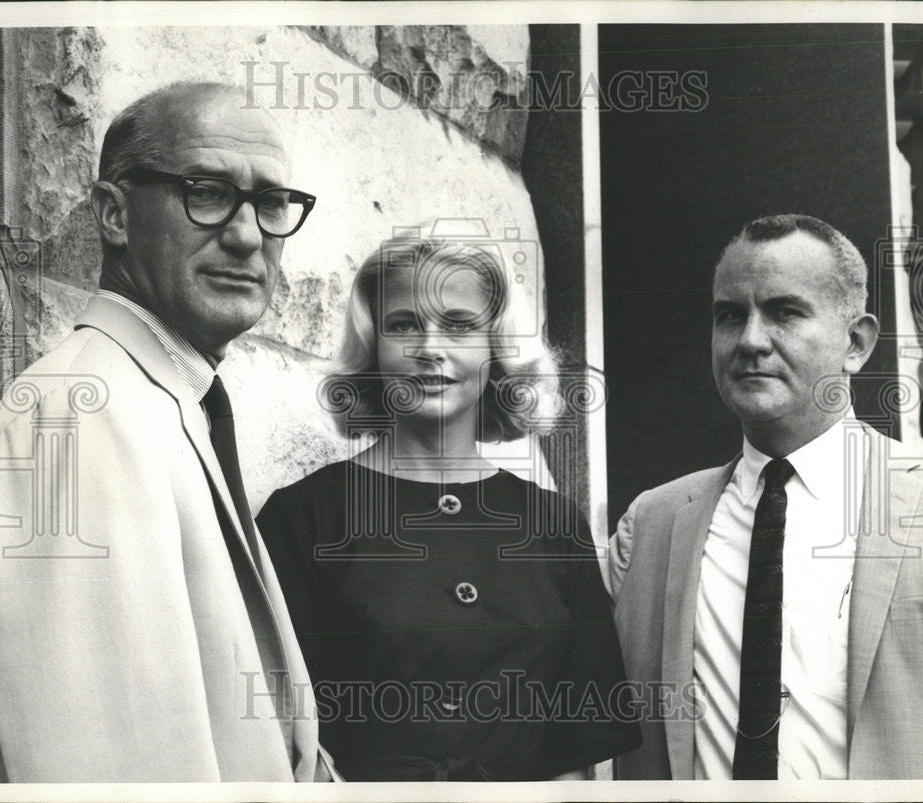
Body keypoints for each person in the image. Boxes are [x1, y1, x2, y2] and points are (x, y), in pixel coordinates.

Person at [0, 82, 333, 782]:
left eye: (270, 203)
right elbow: (110, 768)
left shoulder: (161, 398)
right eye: (205, 190)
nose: (245, 233)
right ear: (114, 214)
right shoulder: (76, 416)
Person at [257, 236, 640, 781]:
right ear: (372, 345)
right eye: (406, 324)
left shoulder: (555, 527)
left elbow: (577, 756)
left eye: (459, 325)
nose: (430, 347)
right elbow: (281, 738)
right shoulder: (301, 519)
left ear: (496, 348)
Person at [608, 214, 923, 780]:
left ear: (855, 342)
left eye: (785, 312)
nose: (751, 340)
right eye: (730, 316)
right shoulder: (652, 526)